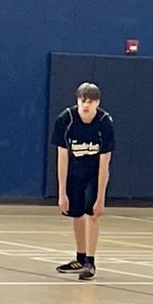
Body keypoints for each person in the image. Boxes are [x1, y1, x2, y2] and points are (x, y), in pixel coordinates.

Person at [52, 82, 114, 281]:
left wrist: (101, 197)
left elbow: (105, 162)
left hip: (94, 175)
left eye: (90, 101)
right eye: (82, 100)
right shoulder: (66, 120)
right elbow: (62, 157)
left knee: (92, 214)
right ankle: (79, 258)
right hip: (74, 174)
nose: (86, 105)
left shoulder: (104, 122)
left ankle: (90, 261)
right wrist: (61, 191)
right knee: (76, 214)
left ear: (97, 102)